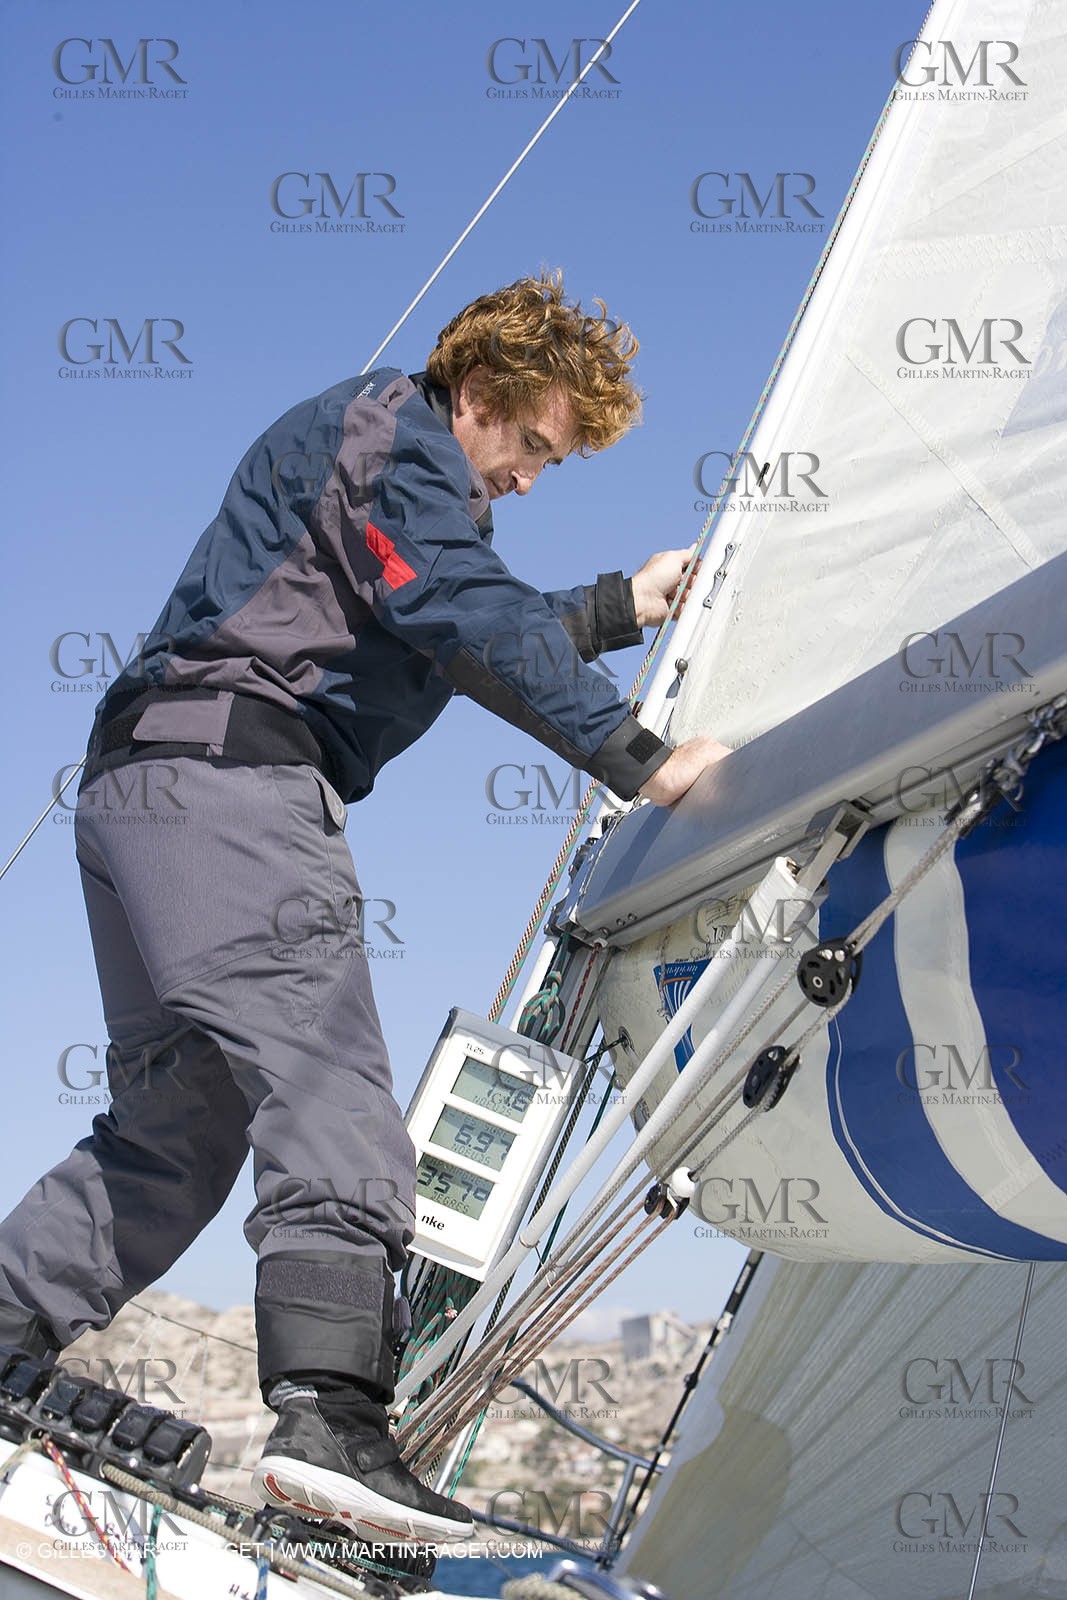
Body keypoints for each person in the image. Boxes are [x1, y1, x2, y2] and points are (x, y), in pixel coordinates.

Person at [0, 271, 725, 1543]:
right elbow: (461, 608)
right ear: (485, 393)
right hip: (234, 786)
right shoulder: (389, 431)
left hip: (148, 789)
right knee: (330, 1085)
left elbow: (447, 619)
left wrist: (622, 604)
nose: (534, 478)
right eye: (537, 447)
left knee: (183, 1123)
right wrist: (644, 758)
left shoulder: (389, 486)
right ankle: (330, 1422)